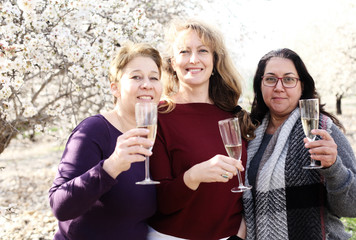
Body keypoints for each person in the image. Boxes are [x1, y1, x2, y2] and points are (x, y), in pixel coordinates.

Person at [148, 19, 256, 240]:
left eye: (203, 51)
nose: (194, 59)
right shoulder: (158, 117)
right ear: (172, 62)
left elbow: (241, 189)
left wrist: (240, 232)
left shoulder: (234, 115)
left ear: (215, 61)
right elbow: (159, 202)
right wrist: (194, 176)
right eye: (184, 52)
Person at [49, 42, 163, 240]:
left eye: (154, 77)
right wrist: (111, 166)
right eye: (136, 77)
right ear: (115, 88)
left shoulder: (154, 133)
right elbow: (60, 206)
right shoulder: (94, 130)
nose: (147, 84)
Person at [243, 48, 356, 240]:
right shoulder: (250, 135)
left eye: (288, 79)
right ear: (260, 85)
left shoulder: (323, 130)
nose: (279, 87)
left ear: (301, 86)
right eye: (270, 79)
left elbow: (352, 207)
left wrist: (333, 167)